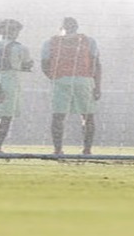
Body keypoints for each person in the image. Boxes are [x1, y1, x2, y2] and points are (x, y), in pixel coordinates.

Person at [41, 17, 101, 156]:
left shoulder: (50, 42)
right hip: (84, 79)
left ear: (61, 27)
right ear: (77, 27)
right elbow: (96, 64)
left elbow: (44, 64)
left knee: (58, 116)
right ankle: (87, 150)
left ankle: (57, 149)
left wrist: (54, 77)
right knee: (87, 116)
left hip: (61, 80)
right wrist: (97, 86)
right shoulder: (88, 41)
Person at [0, 18, 33, 153]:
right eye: (14, 29)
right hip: (9, 81)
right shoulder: (20, 47)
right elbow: (26, 65)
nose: (15, 32)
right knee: (5, 117)